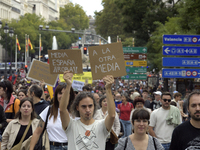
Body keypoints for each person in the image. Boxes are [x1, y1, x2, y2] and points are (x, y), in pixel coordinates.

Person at [59, 71, 116, 150]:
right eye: (83, 107)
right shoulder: (71, 125)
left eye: (90, 106)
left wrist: (108, 89)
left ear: (94, 106)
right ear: (77, 107)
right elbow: (62, 110)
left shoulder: (101, 125)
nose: (88, 110)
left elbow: (112, 115)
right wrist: (68, 85)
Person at [29, 83, 75, 150]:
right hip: (51, 147)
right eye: (60, 93)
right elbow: (37, 132)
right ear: (56, 95)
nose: (62, 96)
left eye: (65, 93)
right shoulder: (48, 110)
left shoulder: (76, 112)